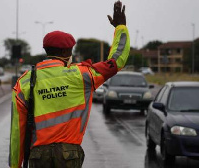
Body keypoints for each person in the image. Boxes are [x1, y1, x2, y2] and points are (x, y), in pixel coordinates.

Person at [9, 1, 130, 167]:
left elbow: (18, 129)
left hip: (38, 156)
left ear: (46, 50)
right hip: (69, 155)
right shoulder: (82, 75)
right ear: (67, 52)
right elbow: (117, 60)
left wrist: (15, 165)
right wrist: (120, 27)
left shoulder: (24, 81)